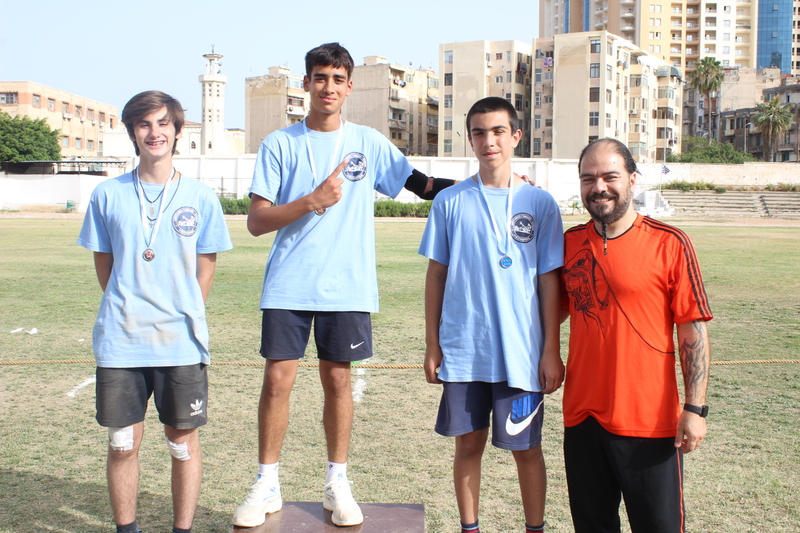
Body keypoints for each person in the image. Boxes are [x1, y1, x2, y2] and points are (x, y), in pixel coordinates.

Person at [232, 42, 457, 529]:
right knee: (277, 382)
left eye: (337, 79)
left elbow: (421, 186)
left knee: (338, 381)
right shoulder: (280, 144)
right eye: (320, 78)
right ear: (306, 84)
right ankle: (267, 483)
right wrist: (311, 200)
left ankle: (337, 482)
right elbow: (256, 221)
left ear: (349, 86)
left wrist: (487, 183)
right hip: (289, 284)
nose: (328, 87)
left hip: (347, 285)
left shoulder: (367, 142)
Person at [77, 91, 233, 533]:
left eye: (163, 123)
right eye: (144, 124)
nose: (154, 132)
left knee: (182, 446)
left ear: (178, 131)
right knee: (122, 444)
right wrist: (130, 303)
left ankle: (182, 530)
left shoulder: (200, 196)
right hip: (121, 341)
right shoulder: (107, 194)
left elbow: (205, 267)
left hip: (179, 342)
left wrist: (182, 310)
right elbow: (106, 266)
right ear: (132, 132)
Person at [419, 97, 565, 533]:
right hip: (466, 352)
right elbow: (436, 276)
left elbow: (549, 281)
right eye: (479, 133)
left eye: (498, 131)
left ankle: (534, 528)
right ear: (470, 139)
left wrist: (551, 350)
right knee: (468, 446)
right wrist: (432, 344)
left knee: (527, 449)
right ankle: (470, 528)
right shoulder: (450, 201)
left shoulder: (540, 203)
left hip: (522, 353)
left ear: (516, 136)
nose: (489, 141)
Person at [561, 138, 712, 533]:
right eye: (588, 179)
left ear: (632, 178)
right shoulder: (569, 244)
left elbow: (692, 329)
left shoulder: (670, 243)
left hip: (649, 422)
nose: (599, 187)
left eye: (609, 176)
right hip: (582, 419)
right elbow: (546, 311)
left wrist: (695, 409)